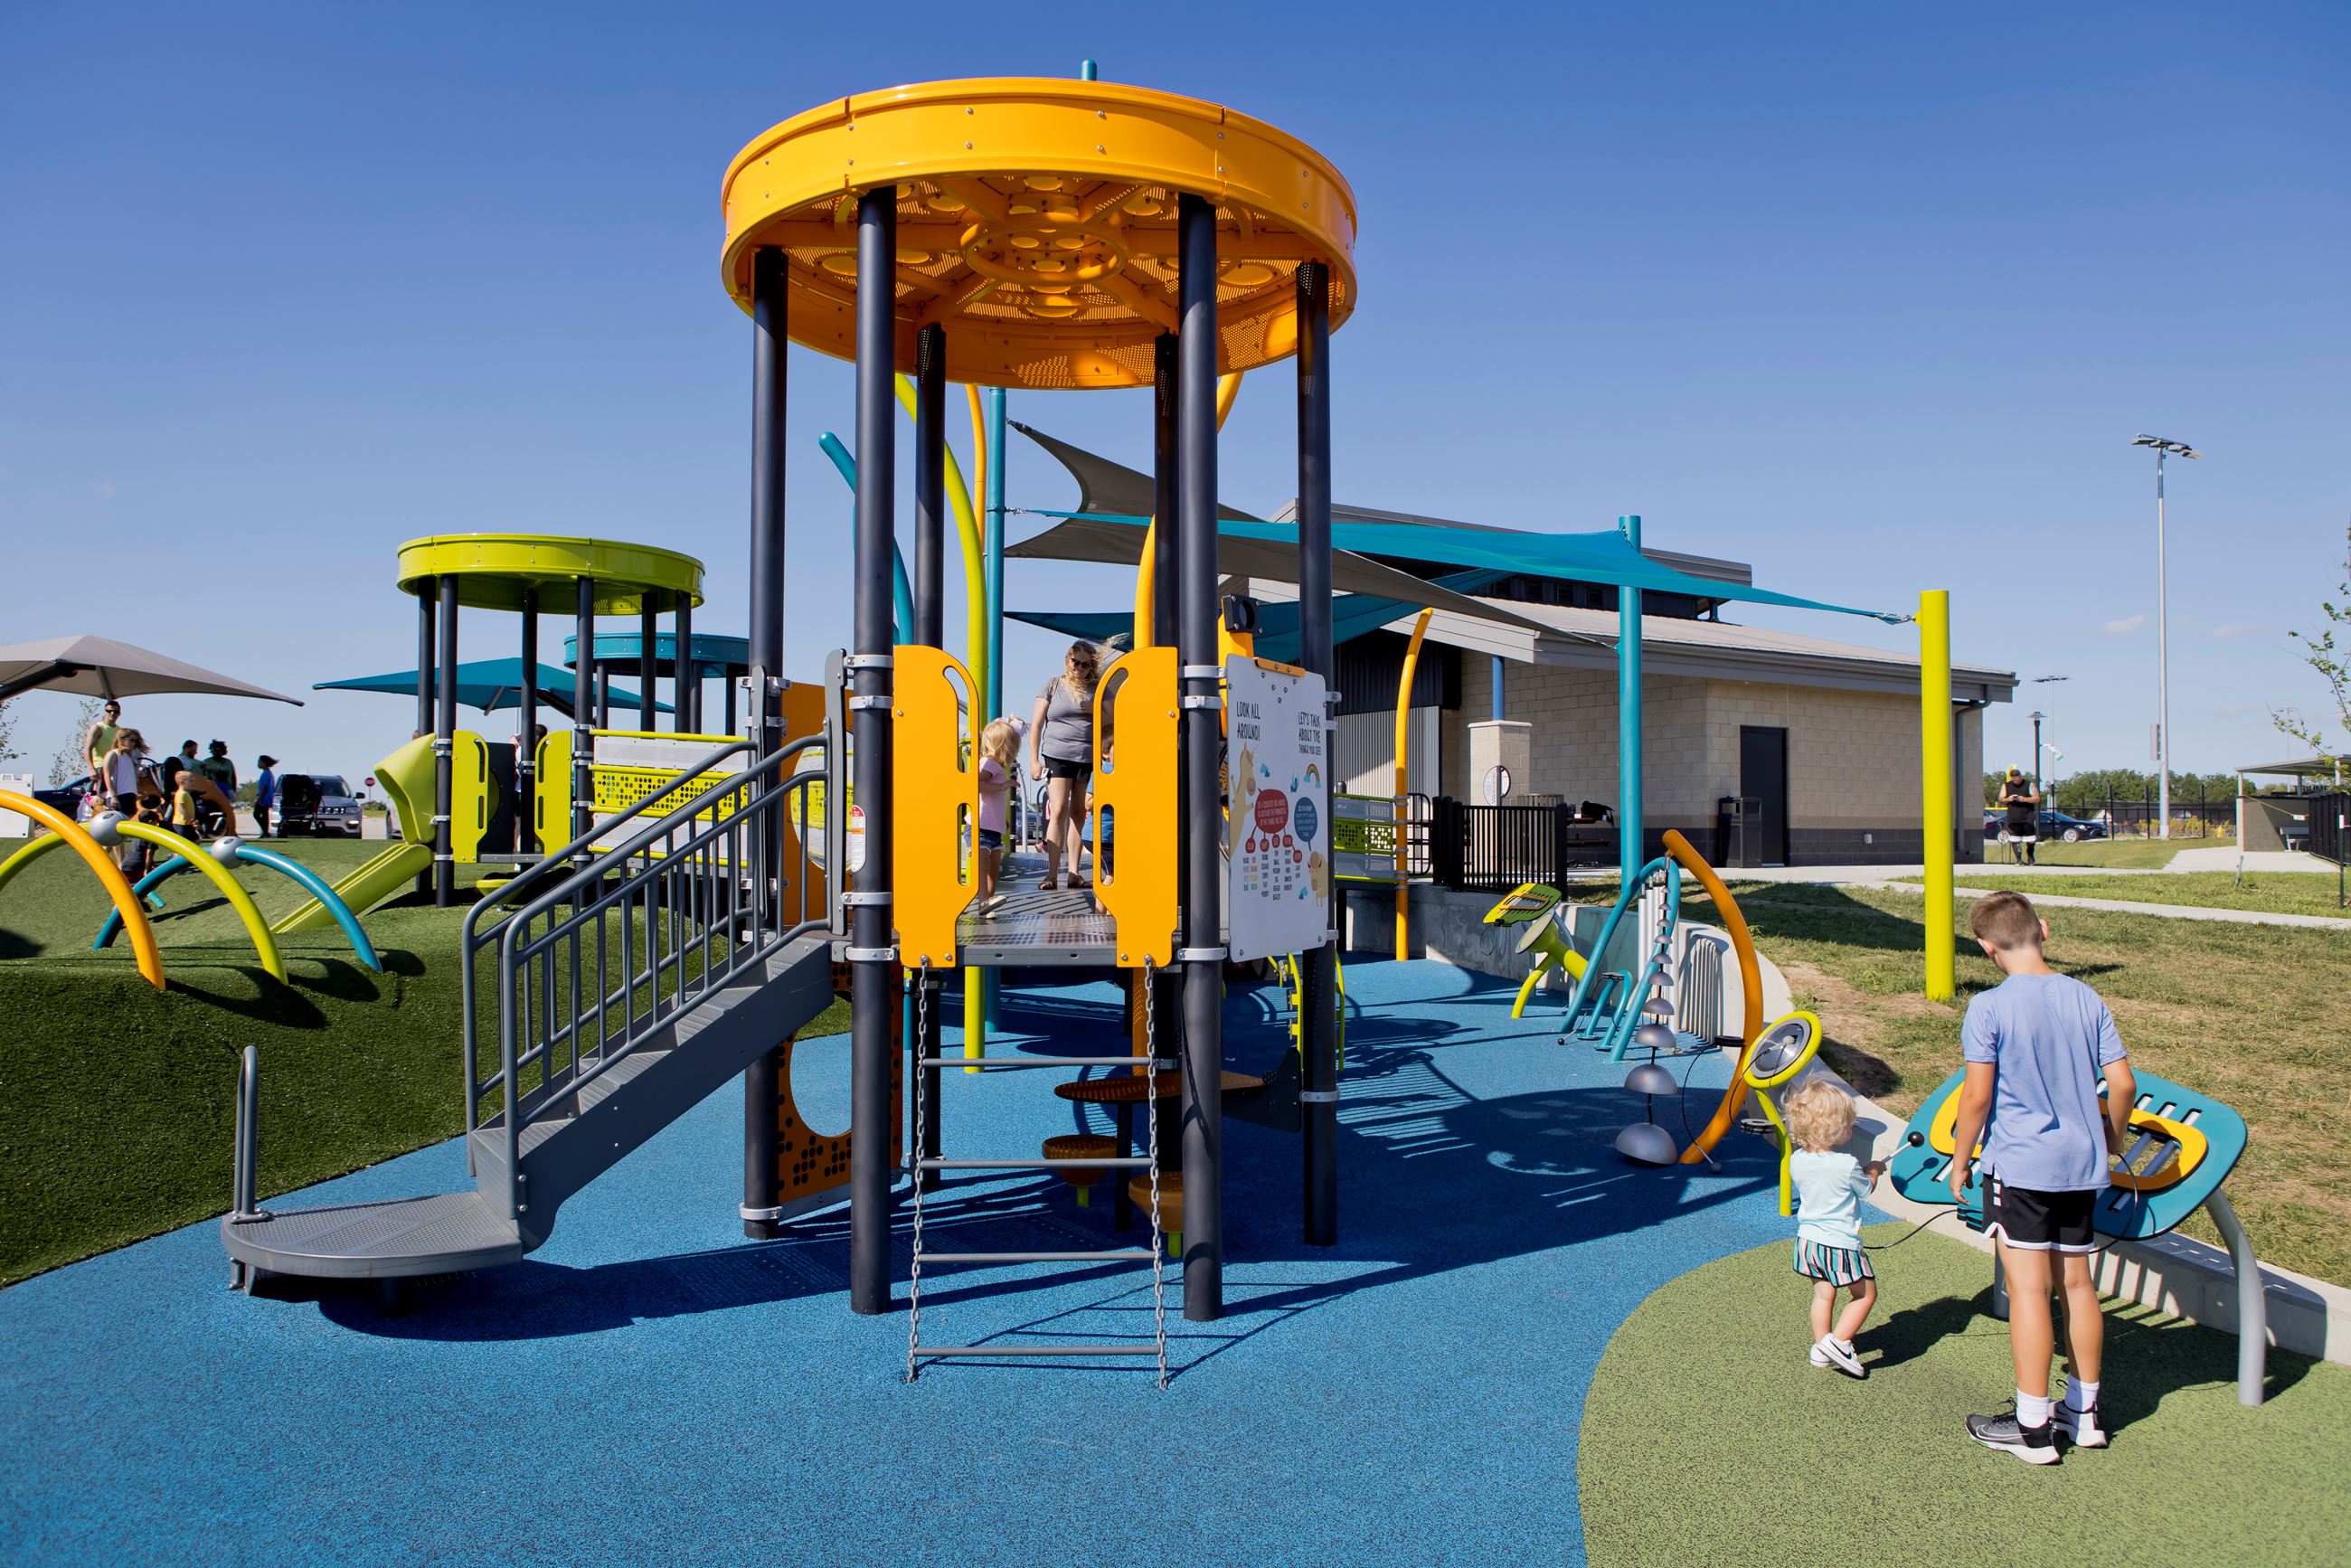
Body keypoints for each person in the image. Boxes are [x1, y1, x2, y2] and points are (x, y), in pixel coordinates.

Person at [1946, 890, 2135, 1464]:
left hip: (2021, 1167)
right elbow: (2122, 1084)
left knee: (2029, 1290)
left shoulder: (1988, 1007)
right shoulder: (2086, 996)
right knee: (2078, 1286)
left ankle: (2032, 1427)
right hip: (2081, 1166)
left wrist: (1961, 1159)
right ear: (2043, 930)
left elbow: (1976, 1096)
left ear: (1986, 948)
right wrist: (2112, 1139)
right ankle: (2084, 1414)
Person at [1785, 1079, 1884, 1379]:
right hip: (1839, 1244)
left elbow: (1827, 1181)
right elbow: (1865, 1189)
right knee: (1865, 1294)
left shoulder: (1797, 1160)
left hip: (1808, 1241)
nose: (1851, 1127)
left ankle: (1820, 1349)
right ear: (1831, 1128)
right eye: (1848, 1123)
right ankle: (1839, 1342)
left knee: (1823, 1295)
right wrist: (1874, 1170)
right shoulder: (1846, 1164)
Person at [1027, 641, 1101, 892]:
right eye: (1075, 662)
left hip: (1086, 756)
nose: (1078, 668)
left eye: (1085, 664)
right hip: (1057, 755)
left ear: (1091, 666)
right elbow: (1037, 725)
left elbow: (1115, 714)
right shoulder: (1052, 685)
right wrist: (1034, 760)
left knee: (1079, 813)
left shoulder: (1097, 688)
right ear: (1067, 660)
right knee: (1058, 809)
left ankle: (1074, 873)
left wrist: (1096, 709)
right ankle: (1051, 874)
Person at [974, 719, 1021, 913]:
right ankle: (984, 900)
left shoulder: (995, 766)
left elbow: (993, 802)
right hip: (980, 826)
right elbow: (976, 785)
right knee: (983, 864)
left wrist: (1002, 820)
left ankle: (988, 901)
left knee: (994, 867)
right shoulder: (989, 764)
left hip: (992, 827)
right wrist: (1002, 786)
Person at [1997, 766, 2040, 865]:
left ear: (2021, 777)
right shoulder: (2006, 786)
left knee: (2031, 840)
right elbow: (2001, 799)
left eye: (2017, 779)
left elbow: (2037, 798)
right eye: (2013, 779)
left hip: (2027, 817)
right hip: (2013, 817)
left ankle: (2030, 857)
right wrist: (2009, 799)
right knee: (2015, 839)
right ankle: (2019, 860)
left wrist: (2024, 799)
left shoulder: (2030, 785)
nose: (2015, 781)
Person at [197, 741, 238, 835]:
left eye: (218, 750)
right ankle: (209, 830)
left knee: (226, 810)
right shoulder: (206, 762)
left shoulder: (228, 762)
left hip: (226, 789)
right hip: (211, 790)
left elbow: (233, 777)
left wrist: (233, 791)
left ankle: (227, 829)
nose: (216, 752)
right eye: (213, 750)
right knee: (211, 810)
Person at [83, 700, 123, 792]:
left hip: (115, 769)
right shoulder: (98, 728)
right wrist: (91, 769)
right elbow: (87, 749)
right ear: (105, 712)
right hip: (101, 767)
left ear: (119, 713)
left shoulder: (119, 730)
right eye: (109, 711)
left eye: (115, 711)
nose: (112, 713)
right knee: (101, 796)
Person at [252, 755, 279, 838]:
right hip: (266, 799)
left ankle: (265, 832)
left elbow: (265, 787)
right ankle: (265, 833)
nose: (258, 764)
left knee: (256, 814)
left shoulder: (266, 774)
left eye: (259, 762)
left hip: (264, 799)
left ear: (264, 763)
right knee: (264, 815)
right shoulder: (268, 773)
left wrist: (260, 798)